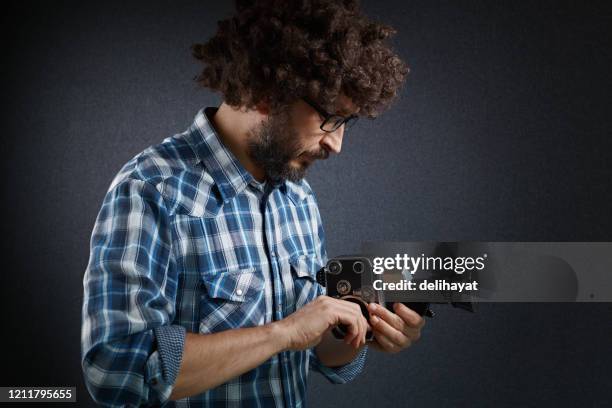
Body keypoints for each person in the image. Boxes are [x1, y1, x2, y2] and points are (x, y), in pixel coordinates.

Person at [81, 0, 424, 406]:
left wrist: (357, 328)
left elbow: (314, 352)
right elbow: (113, 369)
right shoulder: (152, 189)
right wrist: (282, 333)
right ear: (268, 94)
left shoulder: (298, 196)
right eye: (329, 118)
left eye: (346, 123)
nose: (336, 143)